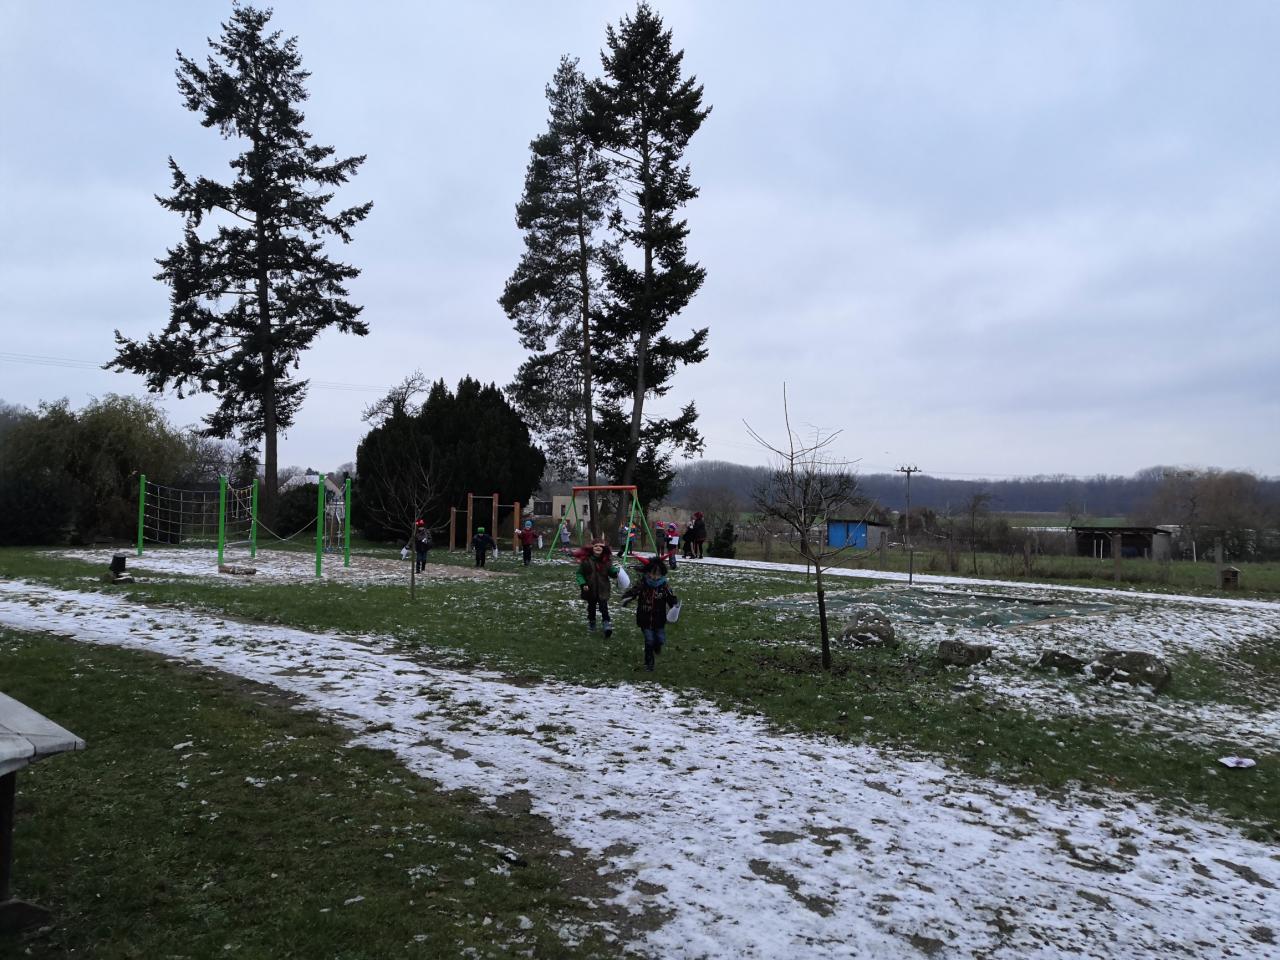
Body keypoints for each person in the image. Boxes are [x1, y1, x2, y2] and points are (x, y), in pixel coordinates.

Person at [620, 556, 679, 672]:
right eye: (652, 574)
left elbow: (671, 597)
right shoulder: (643, 584)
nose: (655, 577)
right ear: (647, 573)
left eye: (658, 574)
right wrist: (627, 598)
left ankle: (657, 646)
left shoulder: (664, 586)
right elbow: (633, 592)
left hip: (659, 619)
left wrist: (674, 605)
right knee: (649, 640)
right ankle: (649, 662)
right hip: (644, 618)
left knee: (660, 639)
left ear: (662, 574)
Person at [574, 539, 618, 636]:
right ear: (592, 548)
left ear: (604, 549)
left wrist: (615, 572)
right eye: (596, 546)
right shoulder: (586, 560)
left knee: (604, 607)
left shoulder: (607, 561)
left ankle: (606, 623)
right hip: (590, 588)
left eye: (601, 546)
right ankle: (592, 622)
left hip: (603, 588)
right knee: (591, 607)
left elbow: (611, 571)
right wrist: (583, 584)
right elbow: (579, 574)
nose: (598, 547)